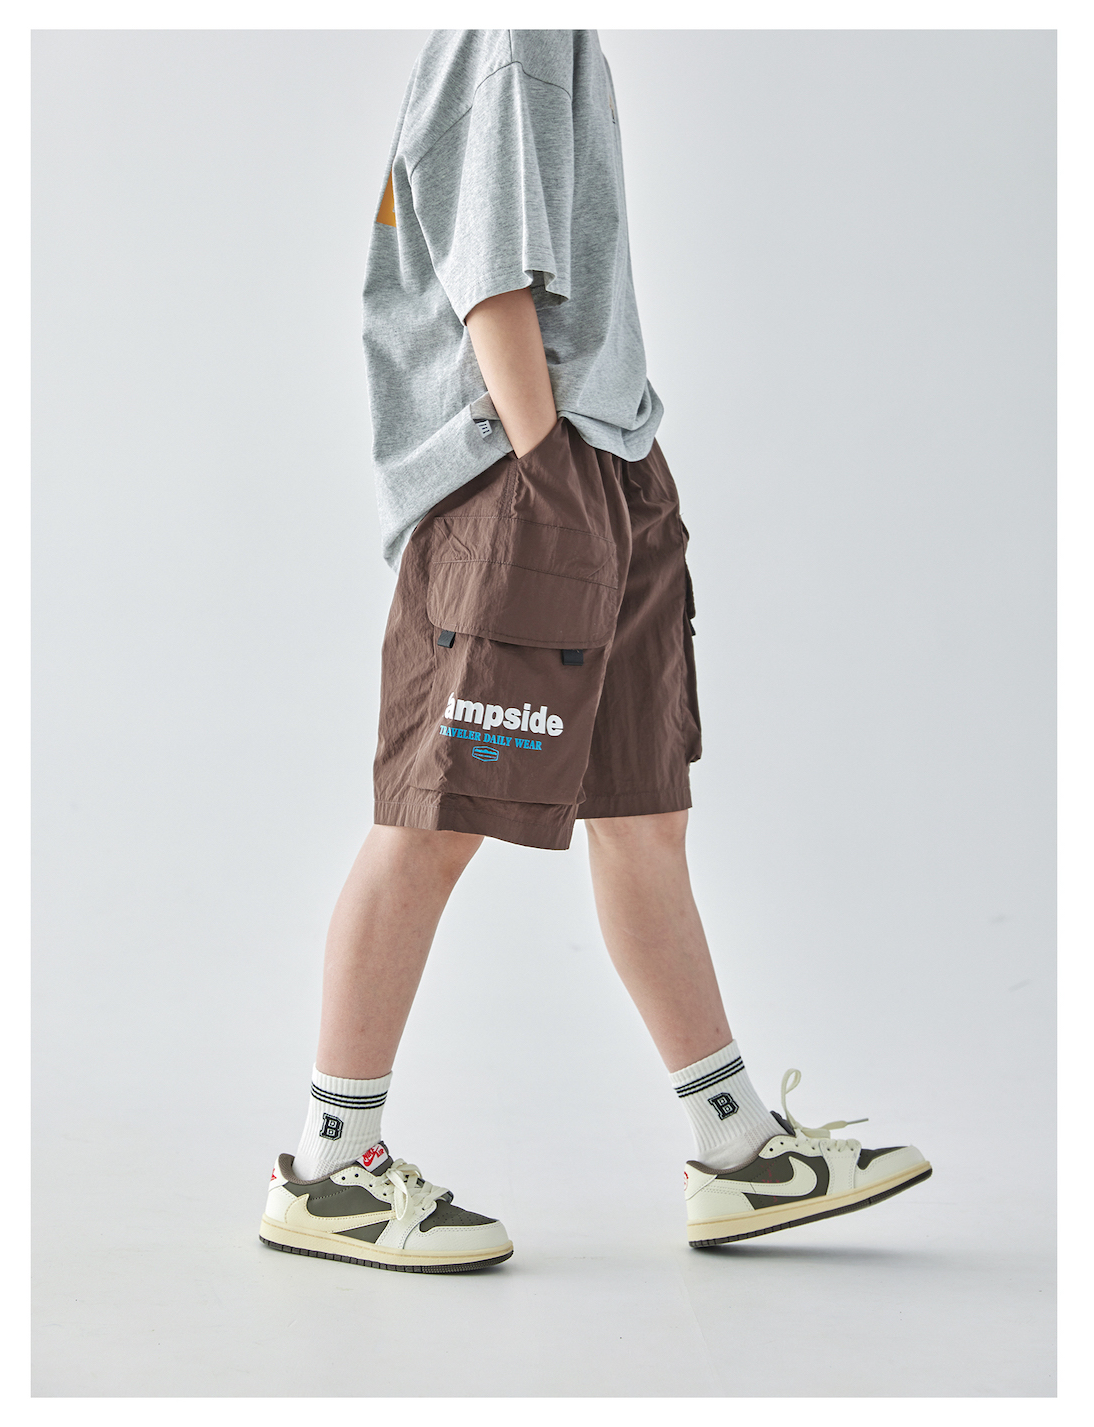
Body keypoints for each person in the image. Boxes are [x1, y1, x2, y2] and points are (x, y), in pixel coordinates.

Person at [259, 29, 931, 1274]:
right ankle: (329, 1165)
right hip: (524, 479)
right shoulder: (510, 33)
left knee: (642, 813)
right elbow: (489, 281)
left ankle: (735, 1145)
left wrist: (605, 477)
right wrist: (549, 473)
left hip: (608, 462)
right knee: (433, 817)